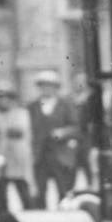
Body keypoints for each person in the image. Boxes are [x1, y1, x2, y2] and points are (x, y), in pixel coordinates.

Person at [28, 70, 80, 208]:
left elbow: (76, 127)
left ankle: (63, 220)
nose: (47, 89)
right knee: (40, 192)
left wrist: (63, 132)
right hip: (40, 155)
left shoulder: (65, 104)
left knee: (63, 190)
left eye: (50, 85)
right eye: (43, 85)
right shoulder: (32, 106)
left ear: (56, 87)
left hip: (60, 154)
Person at [0, 81, 33, 222]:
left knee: (24, 192)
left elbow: (19, 131)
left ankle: (30, 220)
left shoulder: (21, 113)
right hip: (0, 159)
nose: (3, 101)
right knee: (1, 194)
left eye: (6, 97)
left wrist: (2, 131)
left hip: (18, 158)